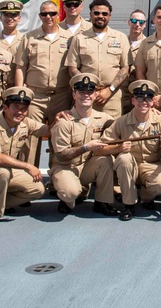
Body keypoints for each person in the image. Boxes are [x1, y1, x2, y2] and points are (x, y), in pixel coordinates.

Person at [99, 80, 161, 220]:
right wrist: (118, 148)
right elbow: (100, 148)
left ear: (153, 101)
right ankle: (129, 204)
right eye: (140, 98)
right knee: (124, 158)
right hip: (130, 166)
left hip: (151, 164)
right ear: (133, 101)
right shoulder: (121, 122)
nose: (144, 102)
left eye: (148, 98)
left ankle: (144, 197)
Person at [0, 87, 48, 226]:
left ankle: (1, 204)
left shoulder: (25, 123)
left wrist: (62, 117)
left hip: (7, 170)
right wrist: (27, 166)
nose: (20, 112)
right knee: (2, 172)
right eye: (15, 107)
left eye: (24, 109)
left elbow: (49, 131)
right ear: (5, 108)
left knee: (37, 189)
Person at [48, 73, 116, 216]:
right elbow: (61, 156)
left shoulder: (103, 118)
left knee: (105, 160)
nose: (86, 95)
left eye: (90, 92)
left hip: (86, 167)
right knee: (70, 192)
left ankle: (102, 202)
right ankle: (67, 198)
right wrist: (86, 147)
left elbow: (123, 124)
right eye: (81, 92)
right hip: (65, 167)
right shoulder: (64, 121)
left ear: (94, 95)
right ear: (74, 95)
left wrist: (150, 110)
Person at [64, 0, 132, 119]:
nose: (100, 16)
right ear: (90, 14)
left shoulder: (120, 38)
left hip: (112, 97)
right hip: (86, 97)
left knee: (112, 133)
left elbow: (125, 68)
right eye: (96, 13)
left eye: (104, 14)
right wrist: (88, 89)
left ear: (109, 16)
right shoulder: (79, 38)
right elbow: (72, 68)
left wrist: (110, 90)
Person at [14, 0, 73, 125]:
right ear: (39, 16)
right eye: (44, 14)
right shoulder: (29, 37)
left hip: (61, 96)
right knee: (31, 137)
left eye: (52, 13)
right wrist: (20, 93)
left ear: (58, 15)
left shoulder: (70, 38)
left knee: (60, 136)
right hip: (35, 96)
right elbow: (20, 66)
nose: (48, 17)